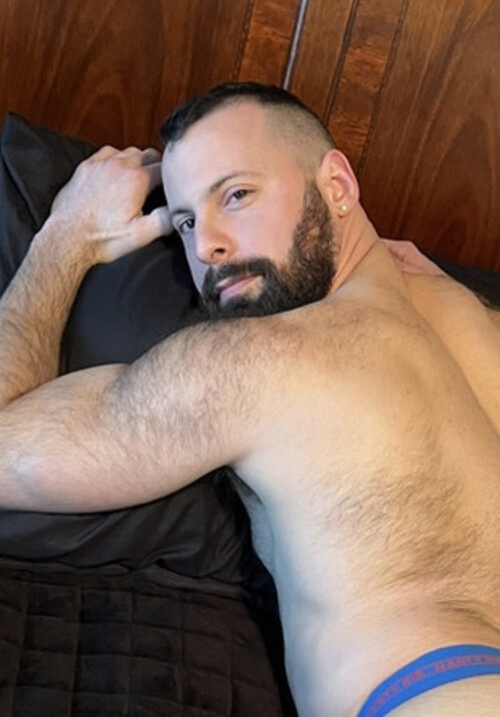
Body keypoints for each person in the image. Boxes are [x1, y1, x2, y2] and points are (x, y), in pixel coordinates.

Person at [0, 82, 500, 716]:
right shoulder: (471, 315)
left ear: (338, 186)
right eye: (185, 221)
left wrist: (64, 237)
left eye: (236, 195)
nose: (204, 246)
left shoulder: (257, 359)